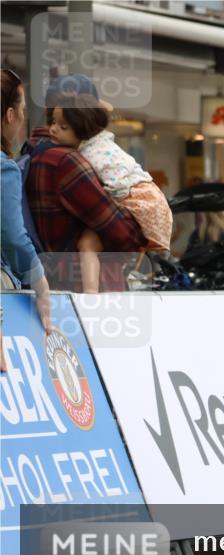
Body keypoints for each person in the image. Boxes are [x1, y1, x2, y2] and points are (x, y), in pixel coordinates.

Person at [24, 74, 145, 291]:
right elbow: (124, 234)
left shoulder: (32, 152)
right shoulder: (67, 161)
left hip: (50, 283)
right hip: (87, 288)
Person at [47, 93, 172, 293]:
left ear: (82, 130)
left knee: (87, 245)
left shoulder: (90, 156)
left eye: (63, 127)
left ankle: (90, 296)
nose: (53, 129)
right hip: (146, 196)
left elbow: (116, 188)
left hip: (137, 199)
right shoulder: (98, 146)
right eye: (53, 122)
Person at [1, 68, 51, 371]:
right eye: (21, 109)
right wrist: (41, 285)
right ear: (9, 115)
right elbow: (12, 237)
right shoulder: (5, 169)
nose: (22, 118)